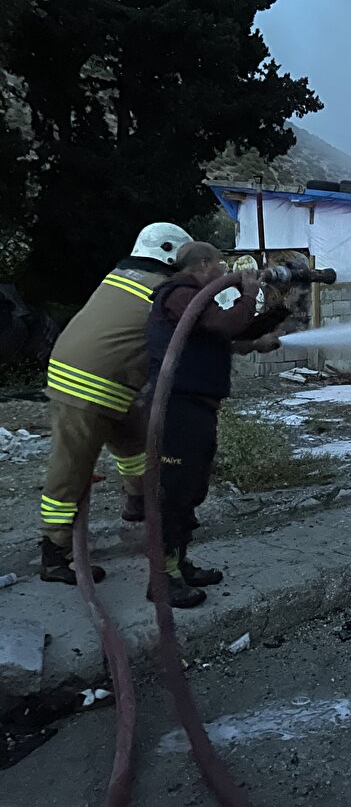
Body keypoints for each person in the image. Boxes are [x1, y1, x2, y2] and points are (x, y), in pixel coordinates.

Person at [39, 222, 194, 584]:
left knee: (136, 443)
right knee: (71, 468)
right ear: (171, 253)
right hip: (84, 385)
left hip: (107, 382)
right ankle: (54, 553)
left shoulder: (123, 275)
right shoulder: (162, 287)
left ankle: (137, 502)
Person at [145, 242, 287, 607]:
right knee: (172, 493)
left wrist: (270, 317)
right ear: (204, 263)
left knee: (190, 489)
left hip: (197, 407)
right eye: (221, 265)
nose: (225, 271)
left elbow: (226, 334)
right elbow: (224, 325)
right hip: (176, 408)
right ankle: (163, 578)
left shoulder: (195, 300)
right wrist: (249, 292)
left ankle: (179, 564)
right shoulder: (179, 294)